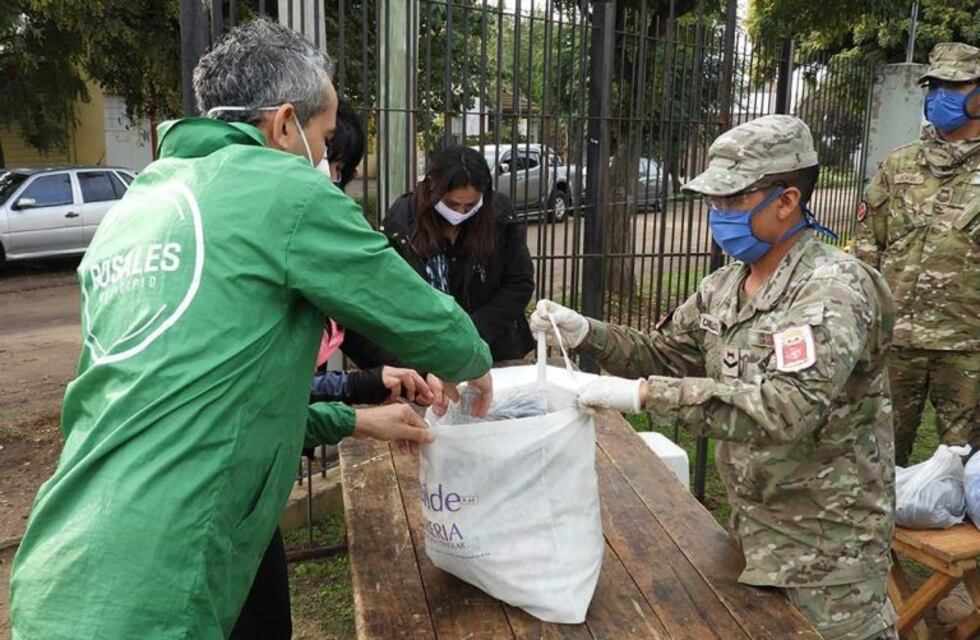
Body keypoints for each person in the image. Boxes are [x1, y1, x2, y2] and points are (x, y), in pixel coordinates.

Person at [10, 19, 493, 640]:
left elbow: (210, 403)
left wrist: (358, 417)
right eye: (323, 136)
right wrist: (475, 363)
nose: (325, 158)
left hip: (67, 561)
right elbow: (413, 309)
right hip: (163, 578)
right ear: (285, 124)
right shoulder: (282, 188)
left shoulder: (141, 203)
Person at [534, 115, 897, 640]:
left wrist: (641, 396)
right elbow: (663, 353)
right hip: (752, 530)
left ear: (787, 200)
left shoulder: (833, 288)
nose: (716, 214)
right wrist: (585, 332)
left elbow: (785, 407)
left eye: (731, 200)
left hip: (828, 550)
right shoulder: (725, 285)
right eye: (713, 201)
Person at [852, 42, 980, 467]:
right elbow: (867, 249)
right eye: (934, 85)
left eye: (954, 86)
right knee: (877, 456)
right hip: (896, 343)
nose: (939, 95)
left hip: (968, 346)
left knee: (969, 465)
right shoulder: (898, 165)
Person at [345, 144, 535, 369]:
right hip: (425, 356)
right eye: (452, 204)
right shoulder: (403, 222)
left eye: (471, 205)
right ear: (433, 186)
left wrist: (471, 332)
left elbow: (519, 282)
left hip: (495, 349)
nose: (461, 213)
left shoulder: (499, 215)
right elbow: (389, 294)